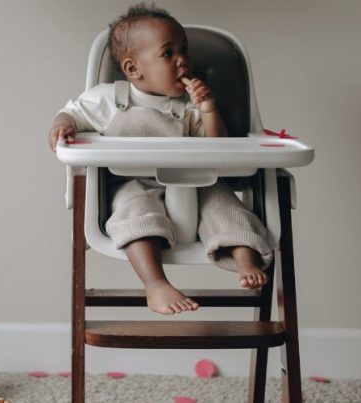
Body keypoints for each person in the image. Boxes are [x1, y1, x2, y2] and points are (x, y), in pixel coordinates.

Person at [48, 3, 273, 315]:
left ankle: (244, 257)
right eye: (169, 54)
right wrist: (63, 126)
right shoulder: (110, 99)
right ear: (132, 69)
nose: (183, 60)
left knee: (226, 206)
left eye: (184, 50)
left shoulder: (189, 105)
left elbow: (219, 147)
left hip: (197, 183)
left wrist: (208, 110)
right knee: (133, 211)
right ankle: (155, 283)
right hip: (135, 183)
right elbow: (72, 112)